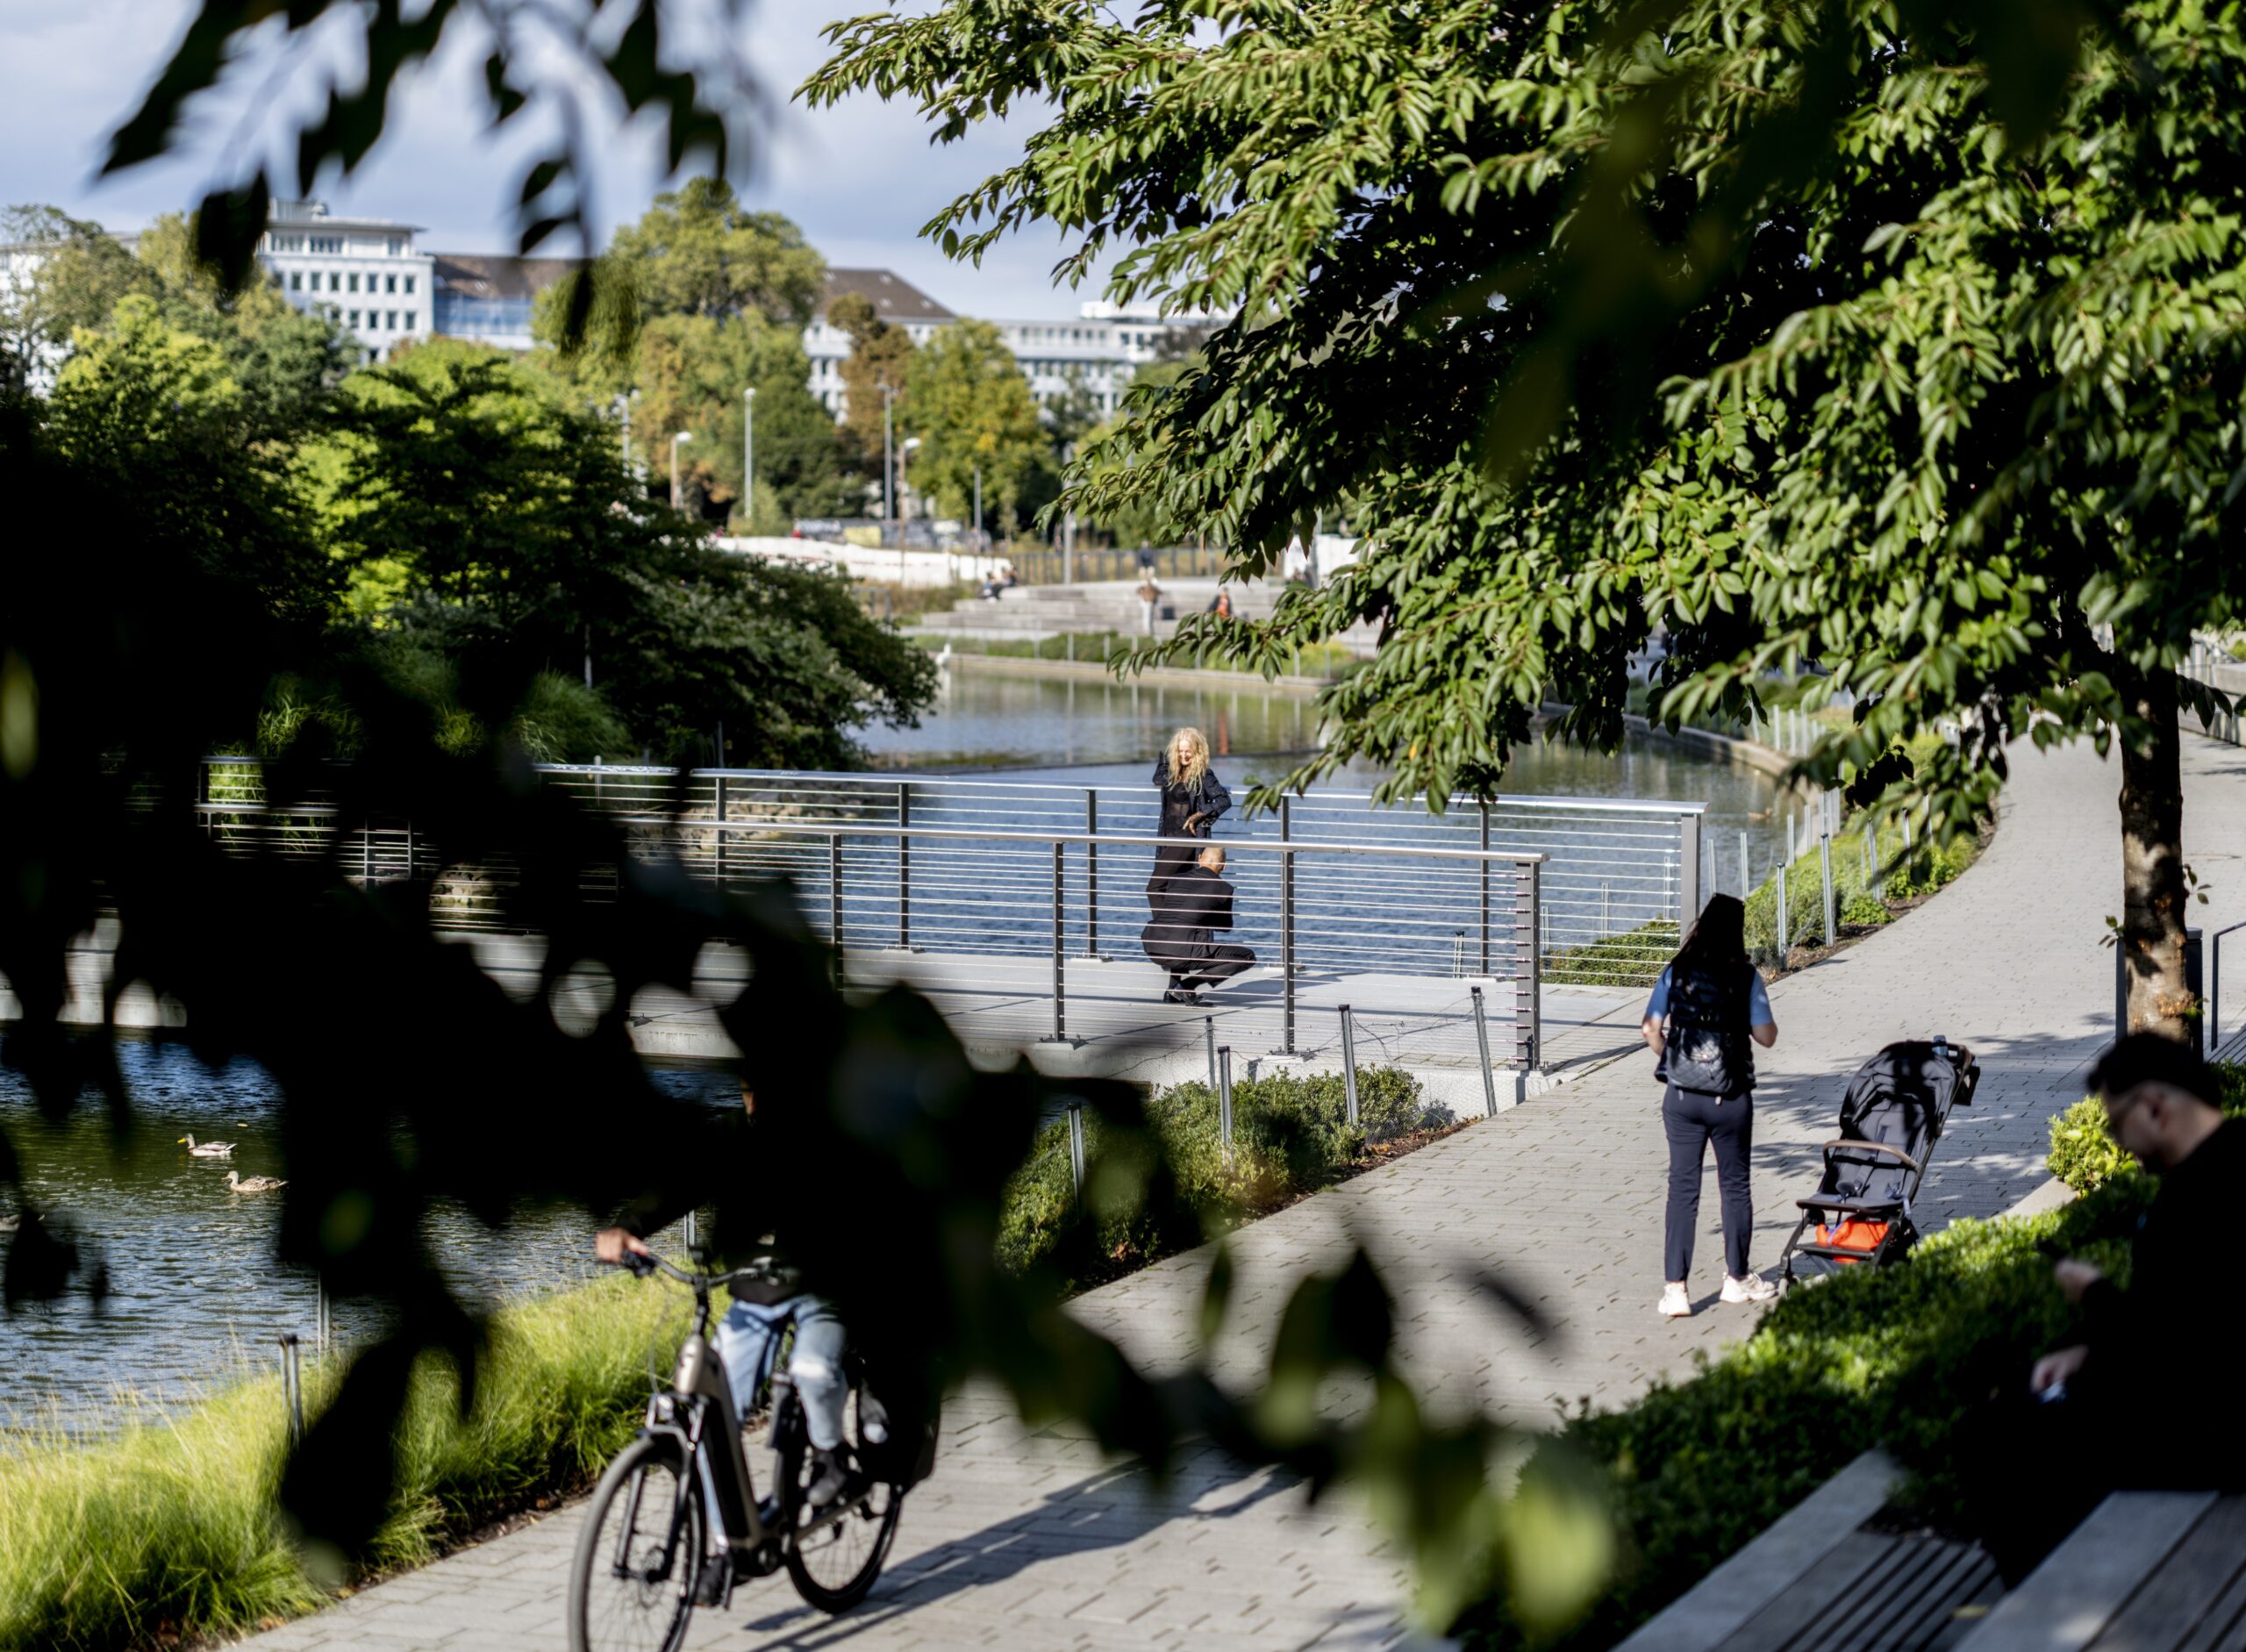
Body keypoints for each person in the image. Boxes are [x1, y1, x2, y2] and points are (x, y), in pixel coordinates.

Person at [1957, 1033, 2246, 1583]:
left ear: (2154, 1107)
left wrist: (2091, 1293)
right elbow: (2180, 1318)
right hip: (2205, 1410)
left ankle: (2045, 1602)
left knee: (1992, 1432)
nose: (2121, 1144)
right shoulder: (2224, 1162)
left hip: (2210, 1435)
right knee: (2016, 1394)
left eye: (2116, 1126)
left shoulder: (2200, 1194)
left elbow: (2167, 1346)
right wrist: (2086, 1348)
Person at [592, 1084, 855, 1512]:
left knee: (812, 1371)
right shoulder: (729, 1136)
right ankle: (724, 1539)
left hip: (821, 1290)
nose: (756, 1103)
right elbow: (676, 1186)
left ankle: (832, 1456)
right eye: (749, 1090)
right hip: (757, 1291)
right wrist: (628, 1228)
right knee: (712, 1413)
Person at [1640, 894, 1779, 1317]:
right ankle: (1737, 1280)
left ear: (1701, 926)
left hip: (1681, 1099)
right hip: (1730, 1099)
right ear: (1737, 932)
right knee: (1734, 1186)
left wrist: (1673, 1061)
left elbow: (1649, 1028)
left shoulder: (1676, 971)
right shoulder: (1747, 976)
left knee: (1682, 1189)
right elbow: (1766, 1037)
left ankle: (1676, 1290)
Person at [1141, 843, 1255, 1005]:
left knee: (1183, 934)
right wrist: (1203, 914)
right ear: (1224, 865)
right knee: (1247, 957)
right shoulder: (1224, 889)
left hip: (1154, 946)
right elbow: (1225, 927)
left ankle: (1172, 992)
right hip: (1182, 952)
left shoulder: (1176, 879)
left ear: (1200, 858)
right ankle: (1186, 987)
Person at [1148, 726, 1232, 898]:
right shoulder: (1172, 772)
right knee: (1172, 887)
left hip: (1187, 836)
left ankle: (1166, 918)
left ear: (1197, 752)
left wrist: (1199, 815)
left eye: (1188, 751)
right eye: (1180, 751)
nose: (1184, 756)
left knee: (1155, 887)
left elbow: (1224, 800)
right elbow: (1157, 778)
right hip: (1167, 836)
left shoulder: (1204, 774)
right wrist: (1166, 760)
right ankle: (1176, 916)